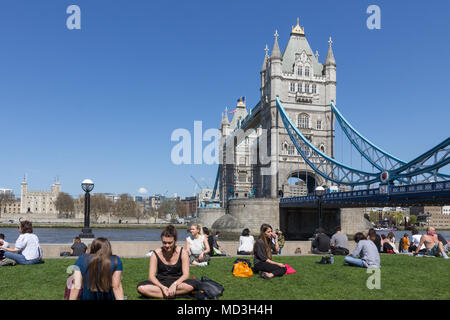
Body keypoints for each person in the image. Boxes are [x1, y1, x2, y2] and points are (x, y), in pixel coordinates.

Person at [137, 225, 198, 299]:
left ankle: (163, 294)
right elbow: (151, 277)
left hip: (178, 282)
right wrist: (162, 287)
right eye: (164, 242)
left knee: (190, 286)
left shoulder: (183, 252)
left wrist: (174, 285)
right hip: (160, 282)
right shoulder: (155, 254)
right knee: (141, 288)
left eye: (170, 243)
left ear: (175, 241)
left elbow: (186, 275)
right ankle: (174, 294)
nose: (167, 245)